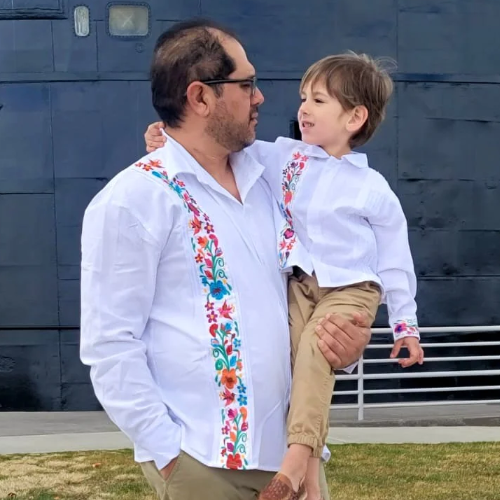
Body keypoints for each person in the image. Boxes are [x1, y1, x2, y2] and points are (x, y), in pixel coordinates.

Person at [80, 19, 373, 500]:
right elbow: (110, 344)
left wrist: (344, 340)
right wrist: (169, 455)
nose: (260, 97)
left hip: (293, 460)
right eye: (246, 84)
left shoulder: (276, 184)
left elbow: (313, 292)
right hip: (201, 463)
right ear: (200, 98)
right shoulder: (133, 201)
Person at [144, 52, 425, 500]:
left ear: (355, 117)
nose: (304, 109)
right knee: (289, 363)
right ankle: (312, 472)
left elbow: (395, 259)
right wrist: (168, 140)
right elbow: (218, 147)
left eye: (318, 100)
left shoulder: (373, 190)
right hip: (301, 283)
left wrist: (404, 326)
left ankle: (294, 463)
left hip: (351, 287)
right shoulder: (284, 158)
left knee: (316, 352)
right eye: (303, 98)